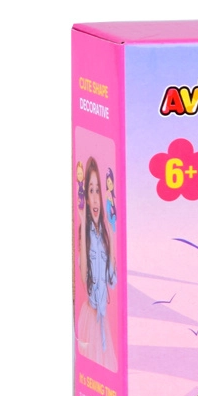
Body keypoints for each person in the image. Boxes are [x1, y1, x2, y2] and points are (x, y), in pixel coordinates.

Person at [76, 157, 117, 371]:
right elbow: (84, 277)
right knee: (92, 369)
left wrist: (113, 231)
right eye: (90, 190)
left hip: (103, 320)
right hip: (90, 316)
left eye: (97, 190)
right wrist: (83, 222)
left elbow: (112, 280)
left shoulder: (106, 234)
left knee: (106, 368)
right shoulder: (85, 234)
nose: (94, 198)